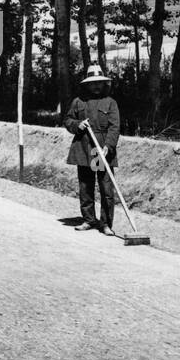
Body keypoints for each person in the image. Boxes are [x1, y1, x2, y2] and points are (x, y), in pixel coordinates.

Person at [64, 64, 121, 234]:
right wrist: (77, 124)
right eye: (93, 83)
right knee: (85, 186)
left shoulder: (110, 103)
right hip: (83, 147)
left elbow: (114, 127)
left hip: (101, 150)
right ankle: (88, 220)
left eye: (99, 83)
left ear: (104, 84)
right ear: (87, 84)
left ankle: (105, 224)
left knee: (106, 188)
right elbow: (67, 120)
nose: (96, 86)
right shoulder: (78, 101)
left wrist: (108, 146)